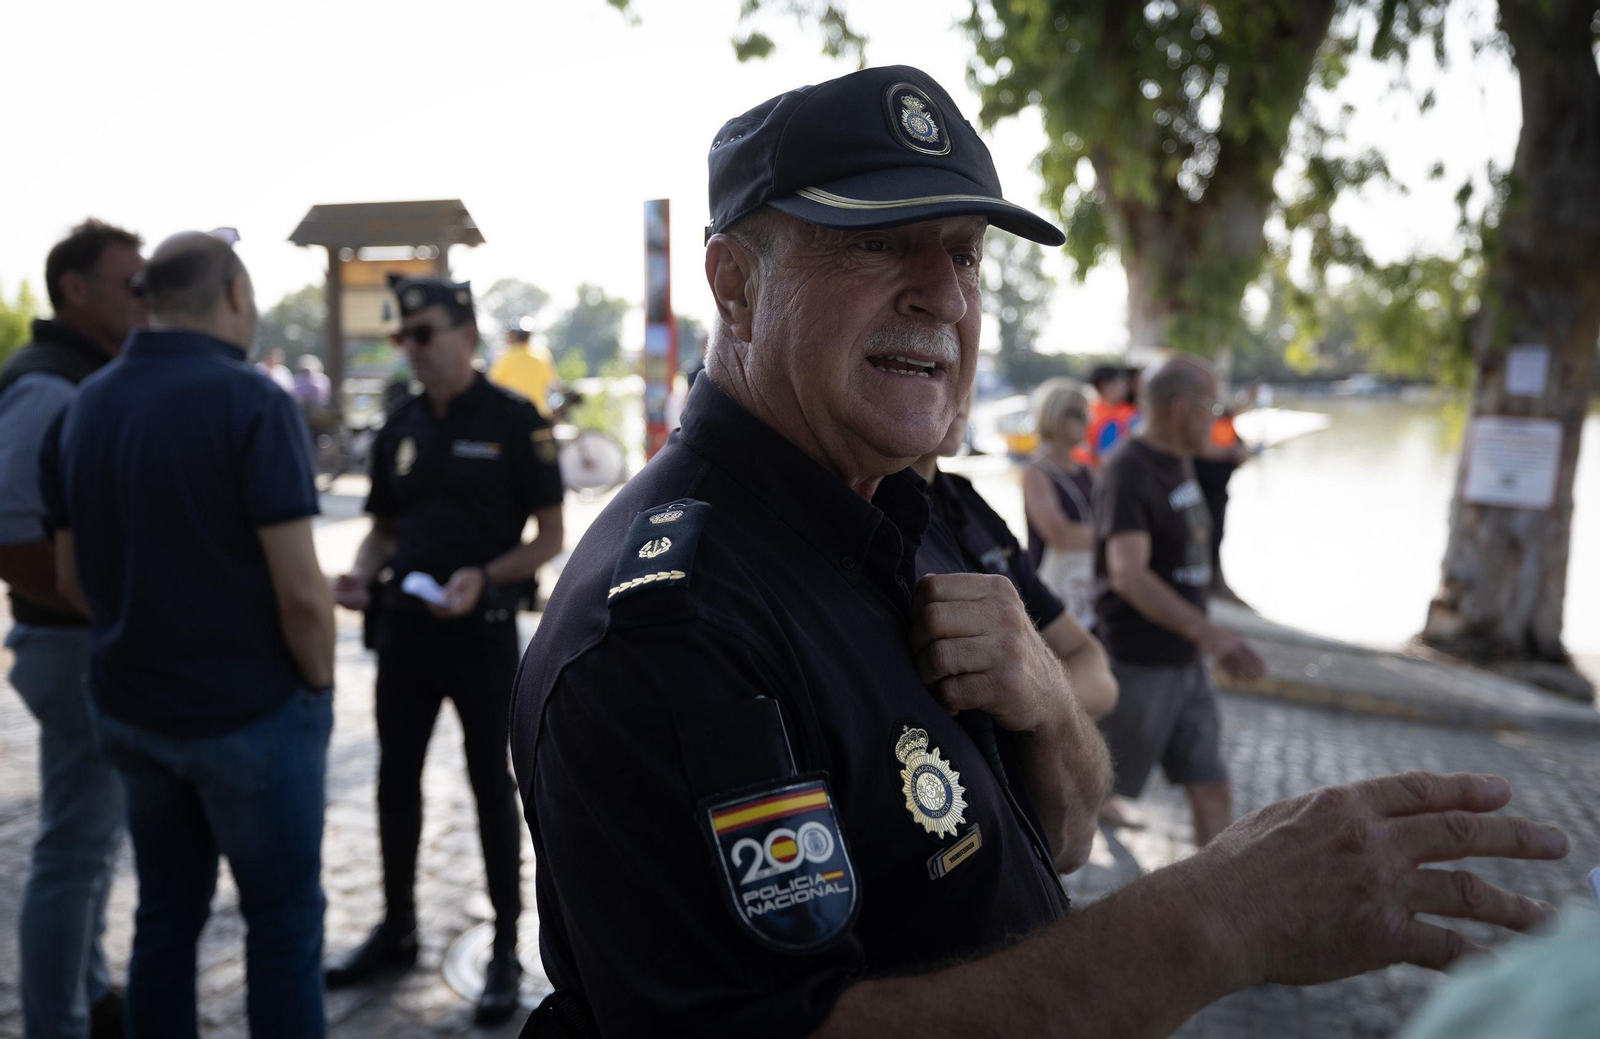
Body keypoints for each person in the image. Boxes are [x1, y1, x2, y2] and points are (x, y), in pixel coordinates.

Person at [509, 65, 1568, 1038]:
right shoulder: (670, 624)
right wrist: (1219, 918)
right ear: (734, 284)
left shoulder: (908, 517)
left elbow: (1047, 844)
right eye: (877, 241)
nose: (947, 295)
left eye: (964, 251)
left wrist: (1052, 704)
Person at [41, 232, 335, 1038]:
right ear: (235, 294)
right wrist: (316, 689)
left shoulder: (84, 404)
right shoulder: (254, 401)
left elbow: (71, 581)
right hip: (249, 710)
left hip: (134, 709)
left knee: (165, 919)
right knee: (281, 928)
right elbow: (303, 595)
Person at [326, 274, 565, 1025]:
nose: (412, 349)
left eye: (423, 333)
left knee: (492, 788)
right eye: (402, 337)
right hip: (404, 631)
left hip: (481, 633)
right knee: (395, 783)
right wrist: (360, 573)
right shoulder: (398, 425)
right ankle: (397, 929)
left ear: (466, 333)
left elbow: (552, 538)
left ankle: (502, 944)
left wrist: (483, 576)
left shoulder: (514, 419)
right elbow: (383, 529)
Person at [0, 218, 144, 1039]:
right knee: (74, 849)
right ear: (74, 290)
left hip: (78, 638)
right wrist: (94, 605)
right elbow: (8, 528)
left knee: (89, 840)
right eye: (130, 283)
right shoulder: (50, 384)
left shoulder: (80, 371)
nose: (143, 297)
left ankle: (87, 993)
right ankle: (58, 1021)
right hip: (70, 643)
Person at [1093, 355, 1264, 848]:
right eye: (1210, 407)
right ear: (1178, 408)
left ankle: (1218, 904)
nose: (1216, 418)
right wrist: (1211, 634)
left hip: (1186, 662)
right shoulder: (1129, 470)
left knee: (1212, 783)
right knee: (1089, 793)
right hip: (1138, 664)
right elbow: (1127, 574)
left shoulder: (1180, 458)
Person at [913, 390, 1117, 720]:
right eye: (927, 366)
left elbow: (1091, 663)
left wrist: (1037, 702)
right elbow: (1060, 532)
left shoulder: (969, 504)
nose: (956, 386)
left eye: (970, 360)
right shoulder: (1039, 472)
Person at [1022, 378, 1097, 630]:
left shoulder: (1089, 470)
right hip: (1053, 589)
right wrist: (1109, 538)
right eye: (1079, 414)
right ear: (1057, 416)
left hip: (1087, 586)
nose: (1087, 421)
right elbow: (1058, 533)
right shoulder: (1037, 471)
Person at [1192, 406, 1251, 604]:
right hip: (1200, 491)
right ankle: (1205, 587)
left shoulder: (1224, 423)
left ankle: (1214, 584)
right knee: (1200, 535)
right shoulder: (1197, 423)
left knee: (1215, 535)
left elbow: (1240, 447)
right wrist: (1230, 454)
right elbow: (1198, 448)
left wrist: (1239, 453)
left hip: (1218, 492)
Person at [487, 323, 558, 415]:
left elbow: (493, 383)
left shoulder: (506, 356)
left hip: (513, 413)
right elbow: (552, 382)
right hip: (539, 413)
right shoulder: (543, 355)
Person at [1076, 364, 1134, 466]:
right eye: (1121, 383)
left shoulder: (1130, 411)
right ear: (1105, 386)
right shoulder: (1087, 415)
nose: (1126, 387)